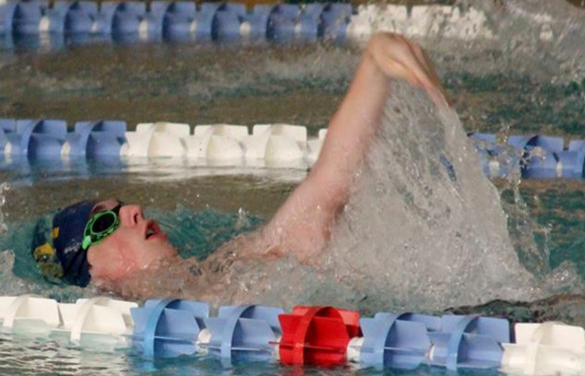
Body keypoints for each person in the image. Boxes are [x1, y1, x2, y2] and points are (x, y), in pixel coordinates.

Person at [33, 32, 449, 299]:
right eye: (104, 224)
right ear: (95, 274)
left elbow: (328, 188)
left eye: (120, 205)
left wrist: (373, 66)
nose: (132, 210)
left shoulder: (236, 263)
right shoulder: (177, 330)